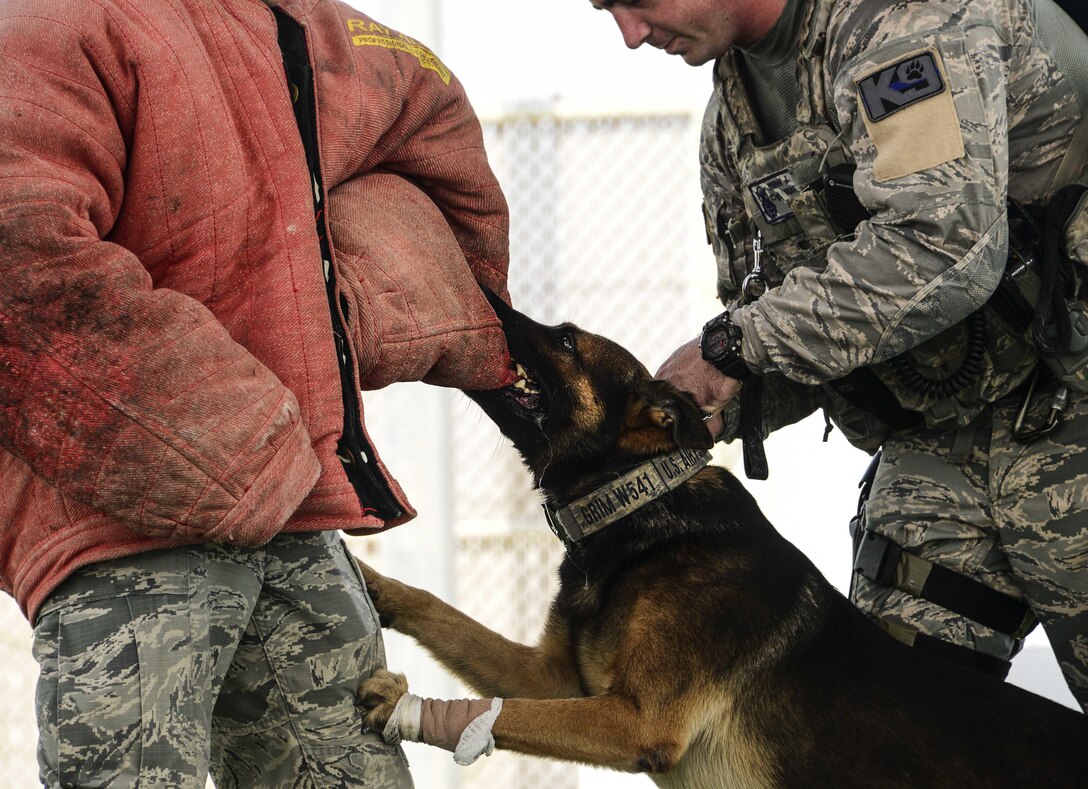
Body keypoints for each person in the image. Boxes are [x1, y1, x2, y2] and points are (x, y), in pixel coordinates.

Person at [0, 1, 518, 786]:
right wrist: (228, 437)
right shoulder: (55, 25)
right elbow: (19, 253)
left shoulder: (302, 23)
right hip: (126, 528)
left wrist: (350, 318)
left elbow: (441, 143)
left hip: (291, 505)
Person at [593, 0, 1088, 710]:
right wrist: (701, 409)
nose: (631, 36)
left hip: (1073, 404)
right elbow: (799, 332)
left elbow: (945, 242)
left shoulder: (899, 20)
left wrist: (733, 349)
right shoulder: (731, 129)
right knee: (879, 735)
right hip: (942, 444)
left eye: (635, 2)